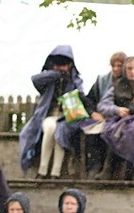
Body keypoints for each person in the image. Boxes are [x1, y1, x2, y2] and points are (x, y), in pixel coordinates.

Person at [18, 45, 94, 179]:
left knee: (60, 131)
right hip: (48, 116)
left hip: (66, 118)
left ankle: (55, 172)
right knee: (51, 128)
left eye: (64, 64)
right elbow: (36, 80)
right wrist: (56, 74)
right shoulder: (48, 79)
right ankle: (43, 169)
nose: (61, 67)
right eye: (58, 64)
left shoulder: (76, 81)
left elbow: (81, 95)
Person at [83, 52, 126, 178]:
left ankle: (109, 170)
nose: (116, 69)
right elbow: (89, 100)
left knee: (112, 132)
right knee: (90, 130)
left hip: (117, 118)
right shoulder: (101, 81)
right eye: (113, 66)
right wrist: (92, 113)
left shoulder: (128, 82)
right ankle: (94, 167)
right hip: (100, 116)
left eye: (119, 66)